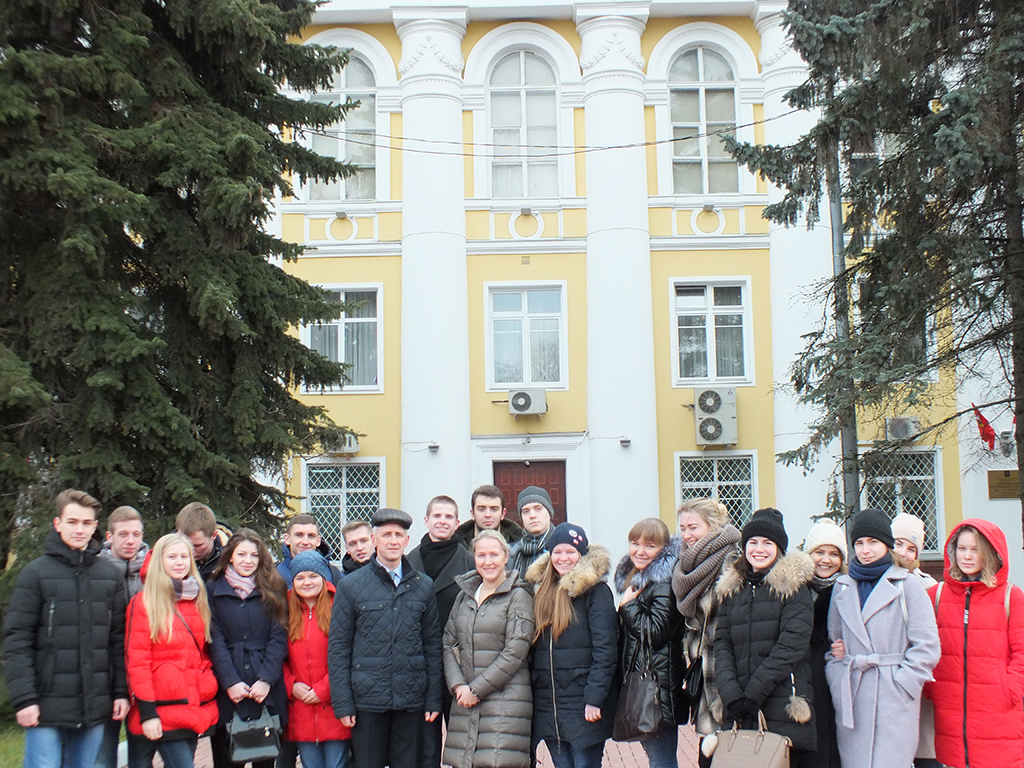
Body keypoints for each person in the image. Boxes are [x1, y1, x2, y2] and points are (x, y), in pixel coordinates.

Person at [2, 489, 129, 768]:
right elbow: (17, 640)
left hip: (94, 704)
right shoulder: (35, 574)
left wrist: (120, 692)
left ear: (95, 527)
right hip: (44, 705)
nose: (79, 529)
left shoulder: (109, 577)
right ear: (58, 523)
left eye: (86, 523)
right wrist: (24, 699)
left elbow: (117, 641)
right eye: (72, 522)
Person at [328, 508, 443, 768]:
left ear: (407, 541)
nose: (393, 541)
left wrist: (433, 698)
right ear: (374, 540)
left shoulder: (423, 585)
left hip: (410, 698)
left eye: (399, 535)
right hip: (367, 700)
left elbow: (433, 646)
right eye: (386, 535)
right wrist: (343, 703)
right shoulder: (350, 586)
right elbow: (339, 648)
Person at [825, 508, 940, 768]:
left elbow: (927, 646)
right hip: (853, 695)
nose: (865, 550)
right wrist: (838, 677)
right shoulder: (842, 587)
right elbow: (834, 643)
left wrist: (904, 685)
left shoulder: (907, 585)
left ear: (887, 544)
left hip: (893, 698)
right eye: (859, 543)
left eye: (873, 542)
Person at [712, 508, 815, 762]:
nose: (759, 549)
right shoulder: (733, 590)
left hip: (779, 703)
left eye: (767, 543)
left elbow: (791, 646)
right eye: (753, 542)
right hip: (738, 703)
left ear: (778, 548)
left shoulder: (793, 589)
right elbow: (722, 643)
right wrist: (731, 695)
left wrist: (753, 694)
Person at [925, 519, 1024, 768]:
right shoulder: (936, 595)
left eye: (975, 549)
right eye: (961, 548)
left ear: (989, 553)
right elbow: (920, 645)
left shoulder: (1011, 596)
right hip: (950, 712)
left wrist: (1010, 689)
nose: (966, 556)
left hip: (999, 714)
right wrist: (931, 688)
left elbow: (1022, 651)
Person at [124, 533, 219, 768]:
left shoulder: (197, 599)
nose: (179, 562)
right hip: (160, 708)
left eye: (184, 557)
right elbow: (137, 661)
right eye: (172, 557)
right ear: (160, 561)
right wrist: (147, 713)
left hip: (191, 705)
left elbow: (202, 654)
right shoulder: (144, 602)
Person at [526, 523, 616, 768]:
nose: (563, 558)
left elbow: (606, 649)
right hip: (549, 703)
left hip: (583, 701)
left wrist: (594, 698)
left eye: (570, 552)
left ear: (581, 554)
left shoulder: (596, 592)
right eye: (557, 552)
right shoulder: (541, 592)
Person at [443, 531, 535, 768]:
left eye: (494, 554)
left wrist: (476, 689)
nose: (488, 561)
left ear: (506, 556)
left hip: (505, 703)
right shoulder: (464, 596)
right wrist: (459, 686)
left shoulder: (518, 596)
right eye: (481, 555)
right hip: (465, 702)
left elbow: (515, 651)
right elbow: (449, 643)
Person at [208, 529, 290, 768]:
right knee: (227, 757)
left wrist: (266, 679)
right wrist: (230, 682)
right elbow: (215, 639)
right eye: (241, 554)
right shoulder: (213, 589)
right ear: (230, 556)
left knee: (265, 756)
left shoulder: (274, 586)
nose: (248, 561)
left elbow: (279, 636)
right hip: (229, 686)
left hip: (266, 686)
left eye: (254, 555)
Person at [670, 498, 741, 767]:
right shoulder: (686, 564)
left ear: (713, 526)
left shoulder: (731, 560)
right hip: (703, 671)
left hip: (727, 669)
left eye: (693, 527)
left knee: (729, 752)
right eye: (682, 528)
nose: (687, 535)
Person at [407, 495, 475, 768]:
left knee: (462, 744)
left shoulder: (470, 562)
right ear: (426, 520)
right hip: (418, 664)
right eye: (437, 516)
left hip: (459, 664)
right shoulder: (408, 562)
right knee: (424, 746)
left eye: (449, 517)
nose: (442, 521)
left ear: (457, 523)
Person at [613, 518, 684, 768]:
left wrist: (628, 606)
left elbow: (655, 632)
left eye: (650, 546)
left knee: (662, 761)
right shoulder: (640, 580)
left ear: (663, 549)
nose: (640, 551)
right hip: (647, 686)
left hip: (657, 690)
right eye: (635, 543)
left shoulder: (664, 583)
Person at [283, 551, 352, 768]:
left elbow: (347, 653)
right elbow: (278, 656)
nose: (307, 582)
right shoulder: (285, 610)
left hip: (333, 708)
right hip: (301, 708)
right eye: (300, 577)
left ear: (324, 578)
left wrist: (324, 689)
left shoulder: (339, 606)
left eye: (313, 576)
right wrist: (291, 685)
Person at [97, 504, 150, 768]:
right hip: (105, 676)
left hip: (144, 676)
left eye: (136, 534)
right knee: (102, 757)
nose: (130, 541)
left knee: (142, 758)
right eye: (123, 534)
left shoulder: (154, 572)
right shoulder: (95, 572)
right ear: (109, 537)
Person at [799, 518, 847, 768]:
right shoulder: (795, 591)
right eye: (819, 552)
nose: (826, 560)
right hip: (801, 682)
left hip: (836, 684)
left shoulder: (849, 592)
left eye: (833, 554)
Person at [277, 514, 343, 585]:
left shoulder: (336, 576)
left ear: (318, 540)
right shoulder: (272, 575)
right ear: (287, 539)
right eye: (299, 535)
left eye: (311, 536)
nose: (305, 542)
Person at [452, 485, 524, 547]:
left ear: (503, 514)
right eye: (481, 509)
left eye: (494, 509)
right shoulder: (455, 547)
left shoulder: (520, 547)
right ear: (473, 513)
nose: (488, 515)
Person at [507, 487, 555, 577]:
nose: (532, 515)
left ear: (549, 513)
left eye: (538, 509)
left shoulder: (563, 548)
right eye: (526, 511)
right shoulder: (510, 552)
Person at [177, 502, 231, 581]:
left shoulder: (233, 559)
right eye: (185, 544)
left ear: (214, 535)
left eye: (197, 545)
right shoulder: (165, 558)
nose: (190, 551)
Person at [892, 512, 938, 588]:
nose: (903, 553)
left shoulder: (928, 586)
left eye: (911, 550)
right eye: (899, 544)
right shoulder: (873, 577)